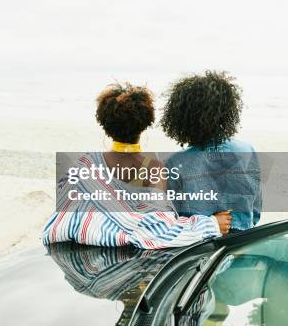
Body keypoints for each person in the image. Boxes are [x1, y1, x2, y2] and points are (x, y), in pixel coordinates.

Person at [43, 83, 232, 249]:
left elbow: (65, 213)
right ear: (145, 124)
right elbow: (160, 229)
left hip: (83, 249)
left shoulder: (83, 164)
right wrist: (211, 224)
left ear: (103, 123)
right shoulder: (153, 168)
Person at [161, 71, 261, 232]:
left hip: (199, 247)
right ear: (227, 111)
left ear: (182, 116)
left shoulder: (175, 162)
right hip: (242, 242)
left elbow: (174, 219)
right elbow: (255, 213)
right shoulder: (247, 151)